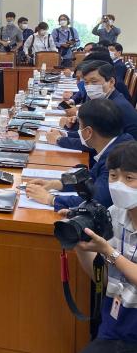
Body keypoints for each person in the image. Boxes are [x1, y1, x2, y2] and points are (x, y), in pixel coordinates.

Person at [71, 141, 137, 352]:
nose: (118, 185)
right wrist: (80, 243)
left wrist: (108, 251)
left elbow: (111, 255)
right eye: (113, 176)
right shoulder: (116, 213)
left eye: (129, 178)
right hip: (114, 325)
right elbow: (104, 278)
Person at [27, 98, 132, 212]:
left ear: (88, 132)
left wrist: (51, 199)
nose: (79, 132)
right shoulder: (119, 142)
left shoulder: (118, 158)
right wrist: (55, 184)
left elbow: (96, 201)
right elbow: (90, 178)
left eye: (80, 127)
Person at [48, 62, 137, 150]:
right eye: (86, 82)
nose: (89, 87)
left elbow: (95, 143)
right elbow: (92, 134)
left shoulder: (114, 106)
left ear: (111, 82)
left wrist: (59, 140)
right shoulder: (106, 100)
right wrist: (65, 134)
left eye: (94, 82)